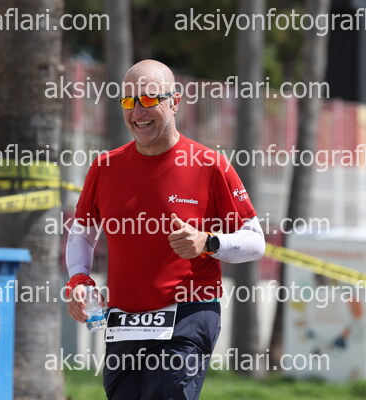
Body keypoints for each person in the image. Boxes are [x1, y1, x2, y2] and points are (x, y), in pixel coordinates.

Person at [64, 59, 265, 400]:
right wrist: (79, 279)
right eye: (129, 101)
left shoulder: (210, 165)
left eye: (148, 99)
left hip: (187, 313)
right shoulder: (105, 166)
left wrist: (208, 242)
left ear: (175, 102)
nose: (137, 111)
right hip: (125, 317)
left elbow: (255, 242)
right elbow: (82, 233)